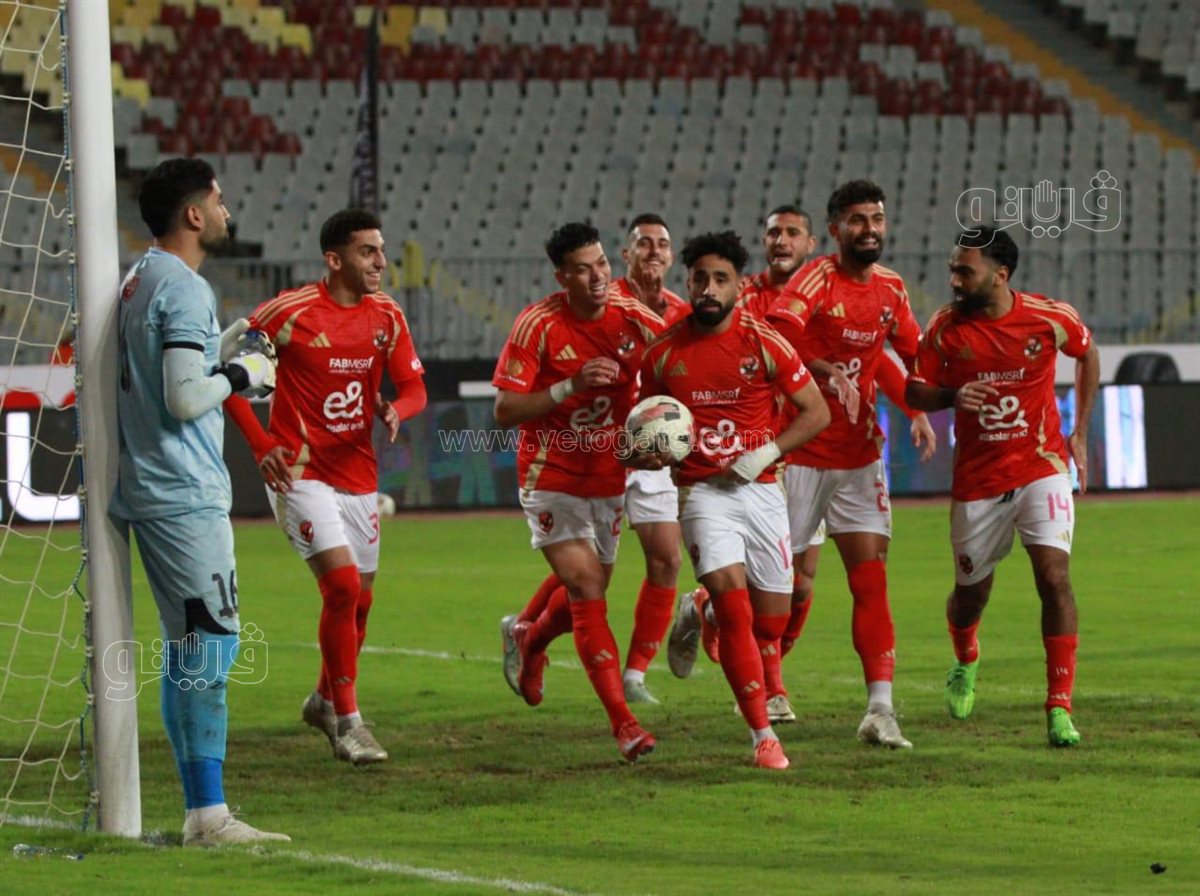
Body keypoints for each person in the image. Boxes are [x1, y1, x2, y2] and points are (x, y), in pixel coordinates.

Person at [110, 157, 288, 846]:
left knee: (187, 648)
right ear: (193, 214)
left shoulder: (141, 277)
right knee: (211, 646)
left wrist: (218, 348)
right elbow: (185, 398)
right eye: (217, 199)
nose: (225, 210)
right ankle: (208, 816)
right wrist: (243, 373)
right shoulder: (184, 287)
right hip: (181, 491)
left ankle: (200, 812)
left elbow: (169, 371)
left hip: (151, 485)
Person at [224, 209, 427, 765]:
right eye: (367, 251)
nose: (381, 261)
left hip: (358, 473)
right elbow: (226, 379)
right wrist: (261, 444)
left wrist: (399, 410)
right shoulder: (288, 313)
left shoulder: (387, 315)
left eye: (381, 250)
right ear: (334, 259)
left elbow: (414, 388)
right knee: (340, 586)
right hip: (299, 471)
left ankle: (322, 700)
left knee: (360, 602)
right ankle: (349, 724)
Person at [640, 230, 829, 769]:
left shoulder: (765, 342)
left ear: (739, 287)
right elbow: (640, 435)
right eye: (699, 278)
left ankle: (698, 608)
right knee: (735, 606)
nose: (708, 288)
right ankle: (762, 736)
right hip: (702, 492)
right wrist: (648, 455)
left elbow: (817, 412)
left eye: (720, 279)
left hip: (762, 490)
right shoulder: (662, 355)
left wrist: (766, 452)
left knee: (772, 622)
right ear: (687, 283)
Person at [905, 226, 1098, 747]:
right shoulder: (945, 328)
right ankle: (966, 655)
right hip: (978, 481)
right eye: (953, 269)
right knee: (971, 597)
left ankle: (1059, 706)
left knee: (1054, 577)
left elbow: (1087, 352)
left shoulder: (1049, 317)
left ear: (1000, 274)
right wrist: (951, 396)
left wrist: (1079, 432)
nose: (954, 279)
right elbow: (914, 391)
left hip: (1041, 467)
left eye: (964, 270)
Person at [761, 180, 923, 749]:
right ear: (835, 230)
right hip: (800, 454)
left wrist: (924, 406)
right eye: (857, 220)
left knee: (870, 576)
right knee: (775, 583)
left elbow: (913, 355)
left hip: (859, 458)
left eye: (876, 218)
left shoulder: (891, 288)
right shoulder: (814, 280)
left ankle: (880, 708)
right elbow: (777, 337)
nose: (869, 229)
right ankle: (707, 606)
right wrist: (827, 370)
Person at [494, 221, 664, 762]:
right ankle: (624, 725)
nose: (597, 278)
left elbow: (674, 367)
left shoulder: (634, 318)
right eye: (583, 270)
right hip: (552, 477)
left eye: (602, 265)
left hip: (608, 476)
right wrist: (570, 384)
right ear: (561, 277)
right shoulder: (538, 325)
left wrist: (658, 438)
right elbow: (504, 409)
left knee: (587, 591)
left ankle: (530, 638)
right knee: (588, 589)